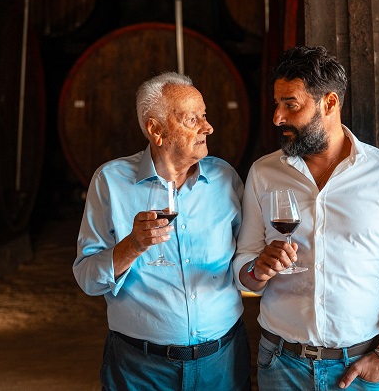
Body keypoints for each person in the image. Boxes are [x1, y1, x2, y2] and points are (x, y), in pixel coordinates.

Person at [234, 46, 379, 390]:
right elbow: (244, 271)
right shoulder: (264, 172)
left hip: (362, 368)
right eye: (276, 104)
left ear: (329, 103)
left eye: (291, 104)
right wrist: (258, 269)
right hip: (280, 364)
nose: (277, 118)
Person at [73, 72, 251, 391]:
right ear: (156, 130)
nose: (207, 127)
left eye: (205, 116)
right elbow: (87, 279)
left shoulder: (226, 179)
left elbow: (246, 259)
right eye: (191, 119)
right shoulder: (110, 182)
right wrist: (132, 246)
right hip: (140, 369)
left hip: (221, 363)